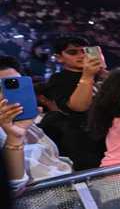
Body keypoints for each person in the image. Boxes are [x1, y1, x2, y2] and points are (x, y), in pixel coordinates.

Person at [0, 56, 72, 189]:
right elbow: (14, 186)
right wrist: (15, 138)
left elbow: (53, 158)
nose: (6, 94)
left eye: (16, 82)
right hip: (37, 205)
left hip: (67, 198)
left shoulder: (26, 121)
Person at [41, 34, 107, 169]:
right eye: (73, 52)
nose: (81, 55)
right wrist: (87, 76)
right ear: (59, 58)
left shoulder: (102, 75)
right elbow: (78, 107)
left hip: (112, 138)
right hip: (87, 146)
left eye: (84, 51)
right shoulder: (58, 79)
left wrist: (103, 73)